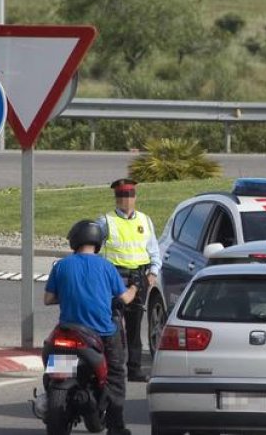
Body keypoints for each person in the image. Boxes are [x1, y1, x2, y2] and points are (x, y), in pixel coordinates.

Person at [45, 220, 137, 435]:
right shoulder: (106, 266)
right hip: (102, 333)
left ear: (74, 240)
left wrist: (70, 294)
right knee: (115, 375)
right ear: (98, 242)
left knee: (54, 368)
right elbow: (124, 298)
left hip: (68, 332)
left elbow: (48, 299)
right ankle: (116, 426)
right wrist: (135, 286)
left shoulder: (61, 265)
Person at [96, 178, 161, 382]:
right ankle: (113, 368)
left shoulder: (144, 220)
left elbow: (154, 250)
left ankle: (134, 369)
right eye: (122, 196)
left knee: (135, 326)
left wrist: (153, 273)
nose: (126, 200)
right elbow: (93, 249)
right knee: (113, 323)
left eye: (130, 195)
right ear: (116, 198)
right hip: (115, 277)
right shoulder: (105, 221)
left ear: (135, 197)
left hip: (139, 278)